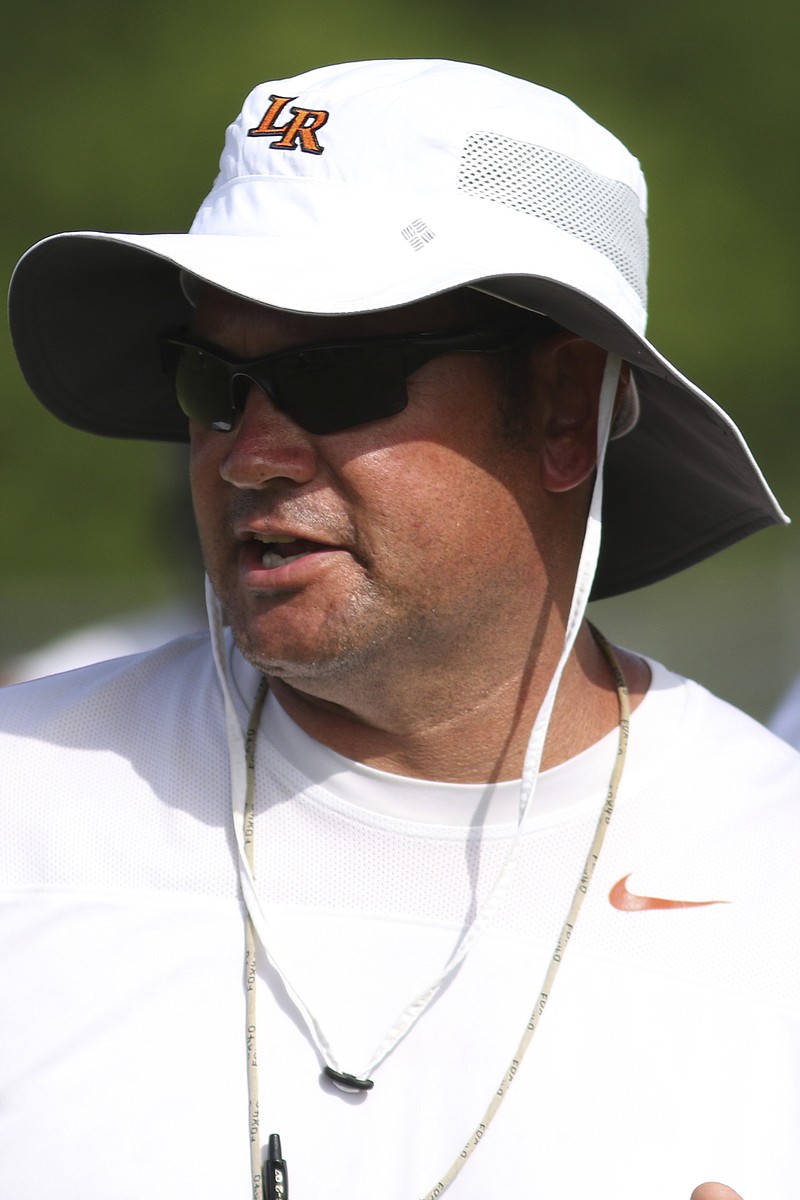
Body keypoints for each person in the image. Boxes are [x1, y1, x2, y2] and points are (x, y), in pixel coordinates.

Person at [1, 58, 798, 1200]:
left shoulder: (775, 887)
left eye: (337, 376)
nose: (251, 451)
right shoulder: (19, 802)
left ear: (565, 409)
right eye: (211, 383)